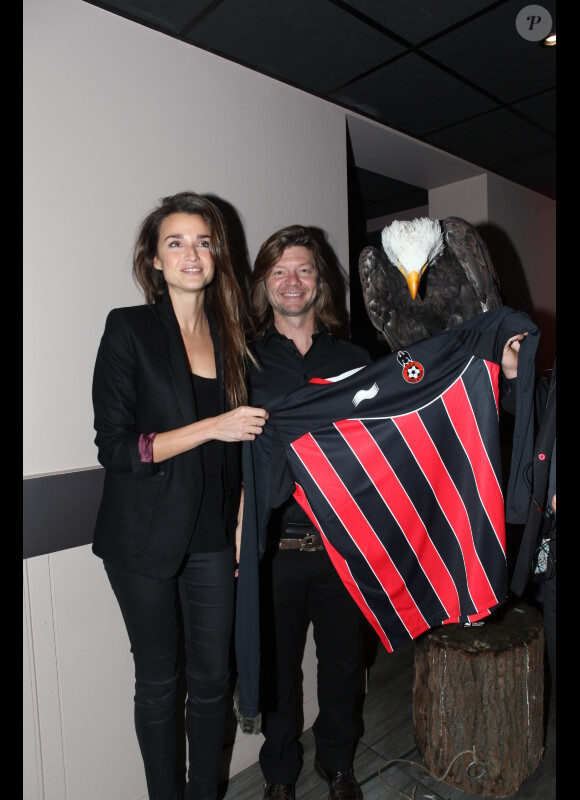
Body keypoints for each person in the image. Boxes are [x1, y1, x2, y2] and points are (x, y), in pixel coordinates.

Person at [91, 191, 269, 800]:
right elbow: (117, 448)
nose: (191, 254)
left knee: (214, 682)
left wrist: (241, 517)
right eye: (176, 242)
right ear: (154, 259)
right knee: (160, 684)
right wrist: (210, 426)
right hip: (142, 538)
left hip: (214, 536)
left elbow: (240, 448)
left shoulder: (233, 338)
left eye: (203, 241)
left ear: (217, 255)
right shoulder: (129, 328)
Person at [247, 225, 372, 800]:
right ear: (264, 284)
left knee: (343, 664)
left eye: (303, 269)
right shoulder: (243, 360)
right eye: (279, 271)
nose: (292, 281)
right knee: (277, 669)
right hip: (274, 546)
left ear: (320, 281)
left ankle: (338, 764)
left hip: (344, 543)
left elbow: (380, 442)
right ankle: (278, 773)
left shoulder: (354, 359)